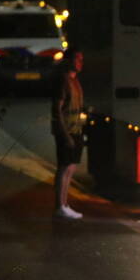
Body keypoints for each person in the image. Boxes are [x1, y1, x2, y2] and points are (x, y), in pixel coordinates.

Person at [51, 46, 85, 219]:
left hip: (76, 130)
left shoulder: (75, 81)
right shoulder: (63, 81)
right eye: (77, 58)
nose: (80, 62)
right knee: (64, 168)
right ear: (68, 60)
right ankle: (60, 206)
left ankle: (65, 204)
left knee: (70, 168)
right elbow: (57, 110)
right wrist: (65, 135)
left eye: (81, 59)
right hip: (67, 132)